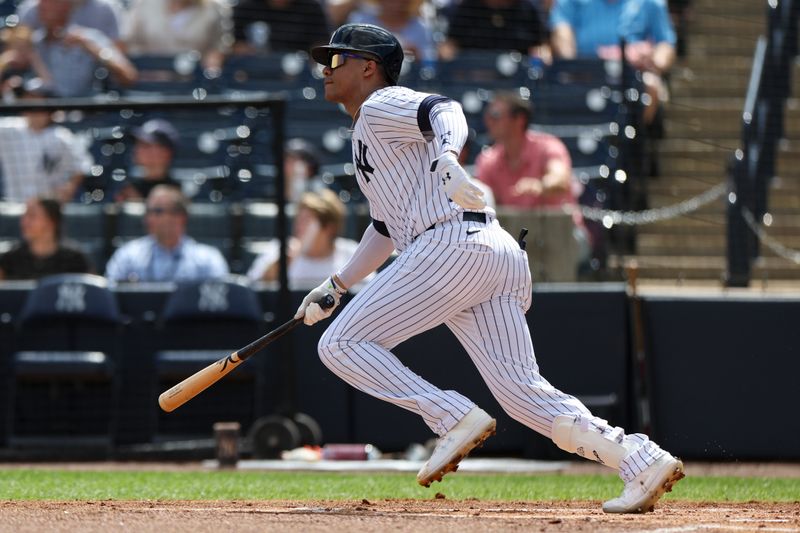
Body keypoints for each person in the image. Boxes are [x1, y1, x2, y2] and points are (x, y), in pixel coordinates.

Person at [296, 23, 684, 514]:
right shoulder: (368, 135)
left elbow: (444, 111)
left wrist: (445, 158)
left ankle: (451, 415)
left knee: (341, 344)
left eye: (336, 60)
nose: (325, 70)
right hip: (488, 252)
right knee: (524, 395)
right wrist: (337, 284)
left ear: (368, 67)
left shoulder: (378, 105)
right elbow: (384, 228)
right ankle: (639, 458)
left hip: (448, 245)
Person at [475, 91, 591, 269]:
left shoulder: (548, 146)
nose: (488, 121)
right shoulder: (487, 160)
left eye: (496, 115)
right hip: (514, 239)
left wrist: (540, 185)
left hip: (561, 235)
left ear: (519, 119)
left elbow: (560, 179)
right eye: (488, 115)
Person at [549, 0, 677, 125]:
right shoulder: (570, 2)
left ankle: (636, 139)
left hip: (631, 79)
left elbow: (665, 44)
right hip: (583, 76)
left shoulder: (651, 3)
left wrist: (652, 61)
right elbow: (562, 35)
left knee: (651, 83)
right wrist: (573, 66)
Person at [104, 184, 229, 282]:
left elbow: (220, 303)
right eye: (148, 211)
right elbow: (110, 296)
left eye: (157, 211)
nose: (148, 218)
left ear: (180, 217)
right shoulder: (128, 255)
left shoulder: (208, 259)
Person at [13, 0, 138, 97]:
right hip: (44, 117)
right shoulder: (34, 42)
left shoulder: (88, 38)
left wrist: (93, 49)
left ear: (66, 7)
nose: (44, 6)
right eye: (42, 2)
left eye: (52, 1)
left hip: (85, 113)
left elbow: (128, 76)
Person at [0, 77, 93, 202]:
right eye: (28, 99)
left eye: (36, 100)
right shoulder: (8, 129)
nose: (31, 105)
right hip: (14, 206)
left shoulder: (61, 137)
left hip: (46, 211)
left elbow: (83, 165)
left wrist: (69, 188)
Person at [247, 189, 364, 288]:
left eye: (307, 221)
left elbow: (367, 292)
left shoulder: (351, 254)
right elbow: (253, 287)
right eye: (299, 219)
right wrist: (284, 261)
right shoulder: (279, 249)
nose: (299, 226)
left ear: (329, 227)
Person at [120, 0, 233, 75]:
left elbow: (219, 47)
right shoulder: (144, 4)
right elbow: (129, 43)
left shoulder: (215, 8)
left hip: (193, 81)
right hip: (149, 78)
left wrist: (210, 67)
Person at [0, 195, 93, 280]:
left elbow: (92, 292)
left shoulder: (75, 259)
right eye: (24, 216)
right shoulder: (10, 259)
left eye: (32, 216)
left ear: (52, 221)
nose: (24, 222)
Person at [439, 0, 548, 61]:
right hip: (475, 79)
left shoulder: (529, 8)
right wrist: (446, 53)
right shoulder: (468, 7)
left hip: (518, 83)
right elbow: (451, 44)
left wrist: (541, 54)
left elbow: (542, 46)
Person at [114, 119, 182, 202]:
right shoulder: (127, 190)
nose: (138, 149)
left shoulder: (180, 192)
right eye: (138, 144)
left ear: (166, 152)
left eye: (146, 145)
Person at [348, 0, 437, 64]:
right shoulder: (361, 22)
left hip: (412, 81)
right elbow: (350, 54)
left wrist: (417, 53)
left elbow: (430, 61)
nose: (396, 3)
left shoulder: (420, 27)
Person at [231, 0, 331, 53]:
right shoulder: (246, 7)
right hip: (254, 74)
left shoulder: (312, 8)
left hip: (300, 77)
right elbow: (234, 45)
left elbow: (320, 47)